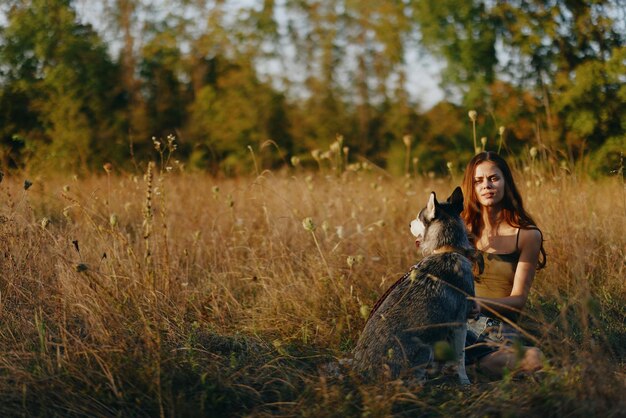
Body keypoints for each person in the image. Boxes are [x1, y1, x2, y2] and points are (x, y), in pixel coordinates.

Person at [460, 151, 546, 378]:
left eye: (493, 178)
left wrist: (478, 303)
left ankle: (465, 369)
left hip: (497, 328)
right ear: (471, 187)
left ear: (506, 181)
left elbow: (518, 301)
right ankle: (455, 364)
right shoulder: (461, 229)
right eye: (478, 181)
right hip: (459, 321)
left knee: (533, 358)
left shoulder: (527, 235)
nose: (486, 186)